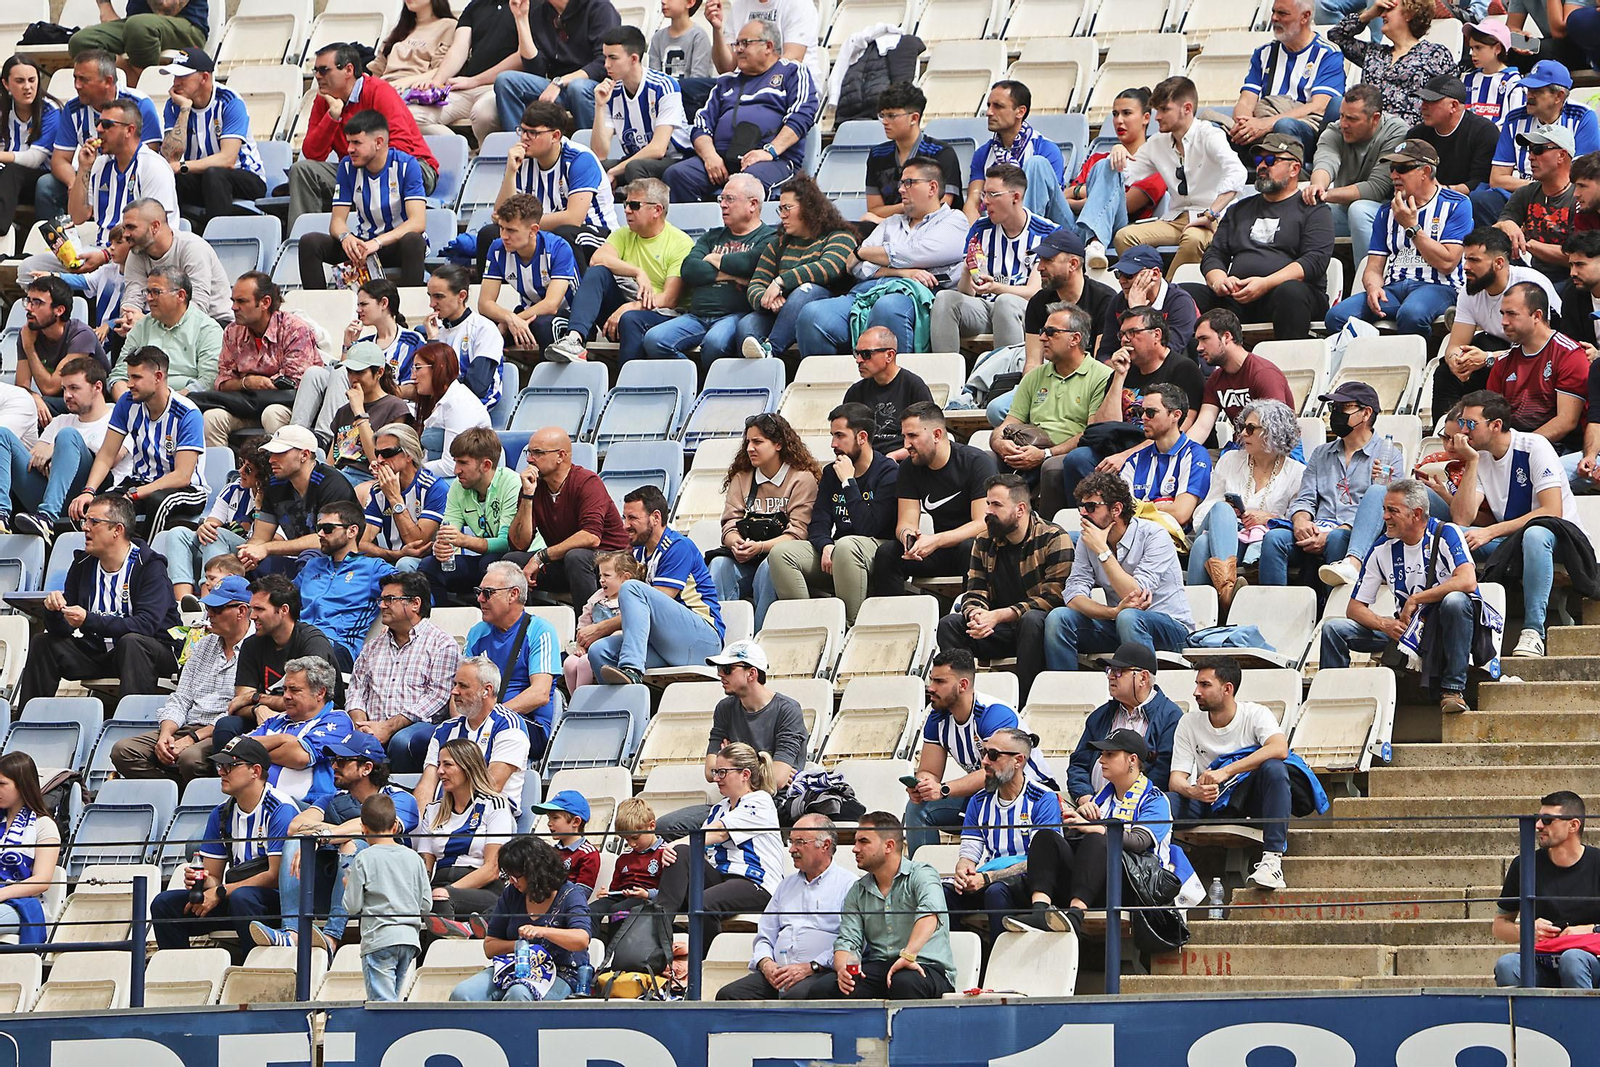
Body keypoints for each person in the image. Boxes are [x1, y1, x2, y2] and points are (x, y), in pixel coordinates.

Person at [1005, 728, 1198, 937]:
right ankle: (1040, 910)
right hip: (1094, 881)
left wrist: (1092, 827)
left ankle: (1075, 915)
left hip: (1135, 886)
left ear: (1132, 760)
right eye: (1101, 754)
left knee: (1099, 839)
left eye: (1110, 754)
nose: (1100, 760)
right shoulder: (1101, 798)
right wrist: (1075, 819)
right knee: (1046, 836)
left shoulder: (1155, 799)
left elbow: (1139, 841)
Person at [1448, 390, 1588, 658]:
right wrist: (1472, 460)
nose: (1463, 431)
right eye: (1462, 423)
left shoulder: (1534, 446)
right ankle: (1447, 625)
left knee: (1535, 535)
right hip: (1511, 541)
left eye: (1470, 424)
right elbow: (1462, 518)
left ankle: (1534, 631)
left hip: (1560, 539)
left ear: (1496, 425)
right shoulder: (1481, 455)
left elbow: (1551, 511)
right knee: (1453, 535)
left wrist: (1491, 531)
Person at [1321, 478, 1480, 714]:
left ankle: (1453, 690)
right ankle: (1334, 701)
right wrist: (1384, 624)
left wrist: (1417, 599)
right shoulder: (1381, 548)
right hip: (1406, 631)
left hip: (1446, 628)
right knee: (1333, 629)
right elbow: (1354, 608)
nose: (1384, 517)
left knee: (1455, 601)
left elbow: (1467, 581)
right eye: (1384, 509)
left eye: (1392, 511)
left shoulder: (1445, 533)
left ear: (1416, 514)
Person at [793, 156, 968, 358]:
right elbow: (856, 267)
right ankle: (829, 387)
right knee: (812, 315)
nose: (901, 189)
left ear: (932, 187)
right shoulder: (890, 223)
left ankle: (899, 387)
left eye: (909, 183)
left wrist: (862, 252)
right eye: (901, 183)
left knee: (887, 307)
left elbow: (918, 252)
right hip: (867, 292)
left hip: (914, 297)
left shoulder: (955, 221)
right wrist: (903, 272)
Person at [16, 492, 180, 707]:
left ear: (117, 530)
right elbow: (63, 630)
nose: (85, 527)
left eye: (94, 522)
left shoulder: (149, 566)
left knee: (132, 642)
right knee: (43, 643)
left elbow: (145, 625)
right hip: (100, 652)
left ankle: (130, 723)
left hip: (153, 654)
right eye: (85, 521)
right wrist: (54, 612)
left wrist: (88, 620)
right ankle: (29, 721)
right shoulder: (83, 564)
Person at [901, 648, 1057, 855]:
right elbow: (929, 770)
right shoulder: (937, 716)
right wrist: (923, 786)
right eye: (931, 680)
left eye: (940, 682)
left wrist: (943, 789)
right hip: (987, 793)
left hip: (1027, 791)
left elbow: (996, 769)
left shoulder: (993, 714)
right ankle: (924, 879)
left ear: (963, 685)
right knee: (919, 807)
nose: (931, 688)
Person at [150, 737, 296, 954]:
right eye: (220, 765)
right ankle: (180, 976)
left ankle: (253, 970)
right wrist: (200, 880)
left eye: (230, 765)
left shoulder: (280, 809)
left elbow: (275, 876)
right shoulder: (221, 813)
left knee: (243, 897)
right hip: (236, 896)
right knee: (164, 904)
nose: (221, 772)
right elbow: (214, 877)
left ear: (255, 771)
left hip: (277, 901)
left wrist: (219, 891)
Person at [934, 475, 1072, 702]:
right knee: (950, 624)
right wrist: (976, 614)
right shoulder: (984, 540)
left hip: (1036, 632)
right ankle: (965, 700)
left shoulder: (1053, 537)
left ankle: (1027, 702)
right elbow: (974, 590)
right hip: (995, 629)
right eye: (988, 503)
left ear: (1020, 509)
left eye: (996, 505)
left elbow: (1054, 598)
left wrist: (1000, 615)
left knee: (1032, 620)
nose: (988, 511)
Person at [1185, 132, 1334, 341]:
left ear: (1295, 169)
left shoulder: (1314, 210)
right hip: (1238, 297)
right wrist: (1220, 281)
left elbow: (1314, 262)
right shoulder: (1239, 209)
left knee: (1290, 292)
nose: (1262, 165)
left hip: (1289, 297)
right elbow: (1215, 253)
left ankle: (1289, 365)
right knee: (1184, 294)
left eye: (1272, 160)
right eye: (1259, 160)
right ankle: (1194, 369)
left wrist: (1265, 283)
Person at [14, 98, 176, 287]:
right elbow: (77, 216)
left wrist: (106, 255)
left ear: (129, 130)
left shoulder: (153, 166)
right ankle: (62, 313)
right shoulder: (100, 164)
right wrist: (83, 169)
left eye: (107, 125)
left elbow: (152, 233)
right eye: (98, 123)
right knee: (29, 270)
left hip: (138, 254)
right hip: (101, 250)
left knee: (116, 272)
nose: (99, 129)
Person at [651, 638, 805, 837]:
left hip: (773, 805)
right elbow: (710, 772)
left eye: (728, 669)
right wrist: (748, 768)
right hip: (732, 802)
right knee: (665, 827)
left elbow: (776, 780)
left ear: (752, 673)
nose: (720, 674)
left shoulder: (788, 710)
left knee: (716, 833)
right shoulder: (724, 708)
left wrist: (732, 760)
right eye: (720, 669)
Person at [1263, 382, 1410, 589]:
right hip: (1317, 527)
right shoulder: (1321, 453)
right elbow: (1305, 498)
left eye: (1344, 407)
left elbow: (1385, 510)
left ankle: (1332, 609)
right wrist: (1301, 522)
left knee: (1338, 538)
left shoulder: (1388, 456)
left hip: (1352, 535)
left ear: (1366, 413)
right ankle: (1274, 609)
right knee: (1274, 539)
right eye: (1333, 408)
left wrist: (1335, 531)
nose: (1335, 414)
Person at [109, 573, 252, 784]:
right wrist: (166, 734)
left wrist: (191, 739)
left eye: (217, 609)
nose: (209, 614)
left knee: (191, 759)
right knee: (123, 751)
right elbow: (181, 697)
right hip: (188, 726)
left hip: (222, 733)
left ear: (241, 611)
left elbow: (236, 712)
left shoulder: (255, 649)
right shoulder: (204, 644)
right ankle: (173, 794)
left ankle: (185, 798)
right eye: (208, 608)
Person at [1044, 471, 1194, 671]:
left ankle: (1142, 694)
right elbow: (1073, 595)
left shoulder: (1154, 535)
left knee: (1130, 617)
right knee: (1058, 618)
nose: (1083, 514)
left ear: (1116, 509)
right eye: (1081, 507)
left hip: (1171, 629)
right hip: (1121, 623)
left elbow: (1135, 595)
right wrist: (1112, 612)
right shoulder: (1087, 540)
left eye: (1091, 507)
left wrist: (1103, 551)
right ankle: (1068, 693)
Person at [766, 403, 898, 626]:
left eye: (839, 436)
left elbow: (870, 528)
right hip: (840, 549)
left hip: (876, 546)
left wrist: (849, 482)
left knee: (847, 546)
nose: (833, 444)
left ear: (862, 437)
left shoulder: (888, 472)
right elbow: (819, 521)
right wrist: (825, 544)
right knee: (781, 554)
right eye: (832, 436)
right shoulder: (831, 472)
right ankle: (806, 628)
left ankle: (848, 629)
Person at [1170, 660, 1296, 890]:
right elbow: (1176, 778)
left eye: (1205, 685)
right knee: (1164, 801)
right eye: (1197, 684)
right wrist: (1192, 791)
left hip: (1248, 801)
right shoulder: (1188, 722)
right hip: (1207, 800)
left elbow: (1280, 748)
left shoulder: (1255, 714)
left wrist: (1225, 772)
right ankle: (1156, 864)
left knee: (1275, 768)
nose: (1196, 692)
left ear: (1227, 688)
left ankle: (1272, 860)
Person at [1325, 138, 1471, 337]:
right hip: (1394, 288)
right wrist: (1373, 287)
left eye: (1402, 168)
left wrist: (1411, 227)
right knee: (1336, 316)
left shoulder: (1457, 204)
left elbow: (1447, 262)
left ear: (1426, 172)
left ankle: (1417, 362)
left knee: (1411, 314)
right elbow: (1374, 267)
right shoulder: (1386, 212)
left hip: (1439, 286)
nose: (1394, 175)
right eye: (1392, 168)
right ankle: (1375, 360)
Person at [1051, 306, 1206, 492]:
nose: (1125, 340)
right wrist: (1119, 376)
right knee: (1078, 458)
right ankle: (1090, 517)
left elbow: (1178, 429)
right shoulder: (1122, 370)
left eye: (1132, 332)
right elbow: (1103, 427)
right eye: (1122, 334)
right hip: (1118, 446)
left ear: (1156, 335)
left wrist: (1127, 456)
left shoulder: (1183, 370)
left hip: (1158, 450)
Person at [663, 20, 818, 203]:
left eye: (745, 43)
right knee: (676, 175)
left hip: (772, 161)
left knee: (745, 185)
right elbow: (701, 126)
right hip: (721, 160)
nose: (738, 49)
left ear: (768, 46)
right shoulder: (726, 81)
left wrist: (770, 151)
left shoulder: (792, 72)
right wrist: (710, 156)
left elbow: (801, 116)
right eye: (737, 44)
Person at [807, 810, 956, 1000]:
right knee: (826, 988)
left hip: (926, 966)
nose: (855, 848)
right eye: (855, 842)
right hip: (881, 967)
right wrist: (843, 969)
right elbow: (847, 940)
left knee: (904, 983)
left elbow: (929, 916)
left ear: (889, 846)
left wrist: (908, 955)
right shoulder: (857, 890)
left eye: (864, 841)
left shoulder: (922, 874)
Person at [543, 178, 694, 364]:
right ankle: (574, 339)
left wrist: (629, 307)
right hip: (624, 312)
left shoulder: (680, 243)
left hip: (662, 316)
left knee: (630, 319)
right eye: (626, 203)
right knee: (597, 272)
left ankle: (627, 384)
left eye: (634, 205)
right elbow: (597, 259)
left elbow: (669, 299)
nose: (627, 210)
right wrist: (638, 272)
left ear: (657, 210)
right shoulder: (624, 234)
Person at [288, 44, 437, 231]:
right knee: (303, 170)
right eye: (315, 70)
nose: (317, 76)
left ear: (348, 69)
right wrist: (333, 116)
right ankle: (304, 243)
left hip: (412, 168)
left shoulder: (379, 91)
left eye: (324, 70)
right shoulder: (323, 100)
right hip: (358, 170)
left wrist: (366, 165)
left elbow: (400, 148)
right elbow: (312, 153)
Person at [586, 485, 725, 684]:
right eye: (625, 518)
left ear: (656, 517)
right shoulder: (640, 553)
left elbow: (653, 604)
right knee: (599, 652)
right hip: (666, 643)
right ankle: (629, 711)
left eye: (632, 518)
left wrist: (601, 627)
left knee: (630, 587)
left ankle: (632, 668)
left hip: (702, 641)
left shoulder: (678, 546)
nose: (625, 525)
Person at [989, 303, 1113, 519]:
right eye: (1041, 332)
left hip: (1064, 453)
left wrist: (1046, 454)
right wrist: (1000, 443)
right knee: (985, 459)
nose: (1042, 338)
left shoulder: (1101, 376)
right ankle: (987, 526)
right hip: (1029, 448)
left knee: (1052, 467)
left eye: (1050, 332)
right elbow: (1009, 422)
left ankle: (1047, 534)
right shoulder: (1035, 376)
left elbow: (1092, 432)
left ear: (1075, 339)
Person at [71, 346, 209, 540]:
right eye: (128, 377)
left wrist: (138, 493)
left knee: (159, 501)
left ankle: (147, 559)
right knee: (97, 508)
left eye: (136, 377)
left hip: (187, 490)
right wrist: (89, 491)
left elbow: (182, 476)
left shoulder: (187, 413)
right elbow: (107, 454)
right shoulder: (127, 403)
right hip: (140, 481)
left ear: (158, 377)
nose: (129, 384)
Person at [640, 173, 776, 367]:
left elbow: (750, 263)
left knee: (715, 343)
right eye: (721, 199)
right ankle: (693, 382)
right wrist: (732, 274)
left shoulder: (768, 238)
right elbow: (689, 270)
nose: (722, 204)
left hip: (734, 315)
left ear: (753, 204)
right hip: (696, 316)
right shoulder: (712, 236)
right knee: (654, 339)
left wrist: (714, 259)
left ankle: (710, 388)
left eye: (730, 199)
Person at [716, 814, 856, 1000]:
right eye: (791, 842)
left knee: (795, 997)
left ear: (825, 845)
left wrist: (812, 966)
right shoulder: (785, 886)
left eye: (799, 842)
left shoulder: (849, 885)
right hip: (778, 974)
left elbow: (852, 941)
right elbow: (765, 936)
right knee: (728, 996)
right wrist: (766, 965)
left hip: (819, 973)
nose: (791, 849)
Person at [986, 227, 1117, 425]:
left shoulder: (1105, 300)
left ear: (1073, 264)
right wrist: (1029, 397)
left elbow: (1099, 364)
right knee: (997, 409)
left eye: (1048, 260)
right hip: (1047, 379)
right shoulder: (1038, 302)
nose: (1039, 267)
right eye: (1040, 260)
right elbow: (1032, 363)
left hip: (1086, 383)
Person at [942, 727, 1061, 945]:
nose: (985, 761)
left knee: (996, 892)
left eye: (994, 755)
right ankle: (952, 967)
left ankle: (1001, 968)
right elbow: (969, 854)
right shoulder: (978, 801)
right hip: (987, 877)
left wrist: (988, 878)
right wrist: (963, 871)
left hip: (1029, 882)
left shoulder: (1043, 799)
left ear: (1018, 761)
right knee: (941, 893)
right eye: (984, 753)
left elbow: (1042, 862)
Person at [1114, 76, 1247, 271]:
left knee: (1193, 239)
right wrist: (1118, 150)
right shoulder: (1157, 142)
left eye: (1164, 109)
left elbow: (1237, 173)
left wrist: (1211, 213)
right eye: (1157, 109)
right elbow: (1128, 174)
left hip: (1214, 219)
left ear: (1187, 108)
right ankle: (1150, 285)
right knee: (1124, 237)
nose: (1157, 116)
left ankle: (1167, 292)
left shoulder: (1209, 135)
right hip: (1176, 218)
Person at [1185, 399, 1306, 611]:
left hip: (1256, 541)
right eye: (1242, 427)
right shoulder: (1230, 459)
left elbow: (1297, 520)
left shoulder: (1296, 473)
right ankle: (1227, 590)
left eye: (1250, 429)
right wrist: (1226, 514)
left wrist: (1269, 518)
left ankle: (1198, 614)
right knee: (1221, 510)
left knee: (1203, 544)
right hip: (1221, 530)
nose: (1242, 434)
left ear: (1272, 431)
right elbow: (1202, 512)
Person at [654, 742, 784, 933]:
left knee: (703, 902)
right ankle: (658, 934)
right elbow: (700, 848)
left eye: (722, 772)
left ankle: (699, 959)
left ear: (745, 775)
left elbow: (718, 833)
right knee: (682, 853)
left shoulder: (760, 800)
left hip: (755, 882)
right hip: (722, 878)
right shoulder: (719, 808)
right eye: (715, 772)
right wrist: (674, 851)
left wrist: (672, 845)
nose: (716, 778)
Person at [1435, 227, 1562, 421]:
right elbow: (1455, 345)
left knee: (1487, 351)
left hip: (1539, 361)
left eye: (1474, 260)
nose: (1465, 267)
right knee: (1446, 371)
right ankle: (1447, 433)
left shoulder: (1531, 285)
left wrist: (1488, 358)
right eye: (1465, 259)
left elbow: (1543, 348)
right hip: (1501, 354)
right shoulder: (1469, 291)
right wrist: (1457, 361)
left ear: (1499, 263)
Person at [447, 835, 592, 1001]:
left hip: (560, 972)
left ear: (535, 872)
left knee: (519, 993)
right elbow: (490, 946)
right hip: (514, 967)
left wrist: (542, 932)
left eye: (515, 876)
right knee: (463, 993)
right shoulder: (512, 893)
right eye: (507, 875)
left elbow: (581, 939)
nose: (511, 881)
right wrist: (521, 946)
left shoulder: (570, 894)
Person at [710, 412, 819, 629]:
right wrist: (736, 544)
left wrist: (760, 547)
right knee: (719, 564)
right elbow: (730, 523)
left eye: (758, 442)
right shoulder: (741, 478)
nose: (750, 448)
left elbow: (798, 532)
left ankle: (759, 641)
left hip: (782, 557)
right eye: (748, 442)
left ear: (778, 444)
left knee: (769, 567)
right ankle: (720, 635)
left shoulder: (801, 479)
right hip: (746, 556)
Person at [0, 356, 127, 542]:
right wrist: (55, 451)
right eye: (64, 389)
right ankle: (2, 515)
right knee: (2, 434)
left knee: (67, 436)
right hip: (47, 491)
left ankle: (47, 518)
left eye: (74, 388)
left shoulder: (118, 417)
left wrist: (58, 448)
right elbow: (36, 459)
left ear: (97, 387)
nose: (67, 395)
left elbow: (110, 457)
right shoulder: (60, 420)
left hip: (92, 497)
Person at [345, 569, 460, 772]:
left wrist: (388, 727)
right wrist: (361, 724)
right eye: (381, 599)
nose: (382, 605)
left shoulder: (442, 644)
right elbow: (356, 689)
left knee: (400, 741)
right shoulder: (372, 646)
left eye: (389, 599)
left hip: (415, 727)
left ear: (415, 604)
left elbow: (438, 698)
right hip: (370, 727)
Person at [299, 111, 429, 291]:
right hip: (364, 244)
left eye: (356, 143)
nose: (350, 149)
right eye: (349, 142)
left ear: (378, 142)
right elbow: (337, 222)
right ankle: (319, 308)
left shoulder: (407, 165)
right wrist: (346, 238)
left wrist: (377, 243)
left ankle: (407, 309)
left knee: (414, 241)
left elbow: (417, 222)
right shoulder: (347, 167)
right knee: (309, 242)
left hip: (395, 245)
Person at [931, 163, 1053, 355]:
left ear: (1016, 197)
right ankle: (947, 378)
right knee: (945, 298)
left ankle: (1007, 380)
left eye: (993, 194)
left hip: (1027, 311)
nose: (985, 202)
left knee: (1005, 303)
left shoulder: (1046, 232)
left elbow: (1034, 293)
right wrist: (967, 270)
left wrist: (996, 287)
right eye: (984, 194)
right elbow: (967, 292)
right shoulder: (980, 228)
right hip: (985, 307)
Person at [875, 403, 996, 595]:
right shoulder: (909, 467)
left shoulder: (976, 462)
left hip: (979, 551)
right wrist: (909, 539)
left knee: (969, 546)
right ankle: (895, 619)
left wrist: (937, 540)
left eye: (913, 436)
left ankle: (972, 614)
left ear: (937, 434)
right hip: (941, 551)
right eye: (904, 436)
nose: (906, 444)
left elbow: (983, 523)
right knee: (888, 553)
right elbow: (905, 521)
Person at [485, 99, 615, 272]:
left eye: (533, 133)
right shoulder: (522, 159)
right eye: (522, 130)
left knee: (564, 234)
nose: (524, 138)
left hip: (595, 234)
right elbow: (501, 213)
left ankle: (579, 295)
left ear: (555, 136)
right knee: (490, 234)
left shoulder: (580, 159)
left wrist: (522, 225)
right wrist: (510, 171)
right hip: (543, 230)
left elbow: (573, 219)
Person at [739, 174, 859, 359]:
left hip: (824, 310)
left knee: (805, 290)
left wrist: (780, 282)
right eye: (780, 209)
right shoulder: (778, 245)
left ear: (810, 208)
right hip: (779, 311)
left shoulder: (839, 236)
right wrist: (767, 299)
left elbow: (829, 267)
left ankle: (772, 348)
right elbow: (756, 283)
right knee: (747, 325)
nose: (783, 215)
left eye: (787, 208)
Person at [507, 427, 629, 605]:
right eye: (529, 452)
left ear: (560, 456)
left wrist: (541, 557)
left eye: (537, 453)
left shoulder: (587, 482)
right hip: (566, 561)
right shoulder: (534, 486)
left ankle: (586, 626)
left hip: (611, 562)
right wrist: (527, 496)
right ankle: (526, 627)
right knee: (512, 562)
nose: (529, 459)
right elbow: (519, 544)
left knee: (576, 556)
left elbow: (591, 537)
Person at [39, 50, 163, 224]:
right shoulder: (73, 108)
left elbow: (148, 157)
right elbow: (59, 160)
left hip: (127, 176)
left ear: (108, 81)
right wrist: (75, 183)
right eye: (75, 78)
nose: (77, 85)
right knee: (46, 185)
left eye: (84, 79)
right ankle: (60, 243)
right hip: (89, 172)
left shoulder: (139, 105)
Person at [1492, 790, 1600, 989]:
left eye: (1548, 820)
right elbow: (1499, 925)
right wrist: (1526, 930)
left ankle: (1585, 1019)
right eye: (1538, 819)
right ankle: (1525, 1020)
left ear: (1573, 825)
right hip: (1543, 960)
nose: (1538, 826)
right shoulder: (1524, 864)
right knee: (1507, 965)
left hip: (1591, 960)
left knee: (1573, 959)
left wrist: (1590, 930)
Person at [199, 273, 322, 447]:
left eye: (241, 301)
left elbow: (297, 383)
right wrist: (248, 382)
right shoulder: (232, 332)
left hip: (286, 406)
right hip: (245, 406)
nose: (233, 307)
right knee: (211, 418)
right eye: (233, 301)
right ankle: (223, 472)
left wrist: (254, 383)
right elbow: (222, 382)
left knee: (272, 414)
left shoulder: (295, 330)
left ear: (265, 302)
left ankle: (277, 472)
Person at [218, 575, 342, 747]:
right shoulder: (252, 644)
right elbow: (239, 703)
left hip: (314, 721)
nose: (252, 616)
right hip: (270, 717)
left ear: (283, 610)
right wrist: (257, 709)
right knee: (226, 726)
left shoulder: (312, 642)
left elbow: (307, 702)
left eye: (260, 609)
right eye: (251, 609)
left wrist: (255, 698)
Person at [1477, 61, 1600, 230]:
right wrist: (1536, 189)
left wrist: (1549, 188)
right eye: (1528, 90)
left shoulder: (1583, 117)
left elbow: (1582, 176)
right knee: (1480, 200)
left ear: (1559, 96)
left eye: (1537, 91)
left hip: (1564, 195)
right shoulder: (1514, 118)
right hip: (1519, 195)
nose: (1529, 96)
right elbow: (1497, 179)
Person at [1062, 643, 1182, 814]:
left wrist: (1120, 804)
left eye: (1119, 671)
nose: (1111, 676)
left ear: (1143, 678)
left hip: (1139, 810)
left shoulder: (1170, 716)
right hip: (1091, 805)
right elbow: (1078, 765)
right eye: (1109, 671)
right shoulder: (1100, 716)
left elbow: (1162, 773)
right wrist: (1085, 798)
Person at [155, 48, 266, 231]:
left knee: (214, 174)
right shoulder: (174, 105)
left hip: (245, 176)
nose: (176, 83)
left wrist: (183, 167)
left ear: (204, 78)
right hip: (203, 178)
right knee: (171, 179)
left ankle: (219, 239)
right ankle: (173, 238)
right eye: (174, 77)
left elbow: (227, 160)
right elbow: (170, 157)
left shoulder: (229, 101)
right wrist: (184, 110)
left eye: (182, 77)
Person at [1224, 0, 1344, 163]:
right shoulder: (1263, 53)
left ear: (1305, 17)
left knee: (1285, 126)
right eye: (1273, 12)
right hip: (1262, 123)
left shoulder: (1327, 53)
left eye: (1282, 13)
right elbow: (1246, 101)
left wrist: (1266, 124)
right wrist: (1244, 125)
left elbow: (1319, 106)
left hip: (1303, 128)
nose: (1274, 18)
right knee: (1214, 129)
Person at [415, 739, 518, 930]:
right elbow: (425, 868)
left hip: (483, 887)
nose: (439, 771)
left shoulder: (495, 804)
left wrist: (448, 891)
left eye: (447, 765)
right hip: (439, 883)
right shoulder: (433, 810)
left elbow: (492, 869)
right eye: (439, 765)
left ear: (467, 767)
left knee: (440, 898)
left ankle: (439, 958)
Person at [464, 561, 561, 758]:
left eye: (488, 592)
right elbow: (460, 687)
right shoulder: (477, 633)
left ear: (513, 594)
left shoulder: (540, 631)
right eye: (479, 591)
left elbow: (540, 693)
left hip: (527, 724)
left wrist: (490, 717)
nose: (480, 598)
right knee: (423, 740)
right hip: (479, 723)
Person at [342, 792, 432, 1001]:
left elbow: (352, 906)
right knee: (393, 1001)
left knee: (382, 1005)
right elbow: (426, 905)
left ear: (363, 828)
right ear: (394, 826)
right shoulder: (414, 858)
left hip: (379, 938)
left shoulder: (364, 858)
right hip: (409, 939)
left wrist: (349, 886)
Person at [237, 425, 360, 579]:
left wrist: (266, 548)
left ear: (304, 455)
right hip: (296, 558)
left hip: (338, 561)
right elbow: (260, 537)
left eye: (280, 453)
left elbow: (323, 538)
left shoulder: (332, 484)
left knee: (310, 559)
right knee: (239, 559)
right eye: (271, 454)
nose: (271, 460)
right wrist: (248, 554)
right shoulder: (274, 485)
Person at [1065, 88, 1167, 269]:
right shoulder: (1097, 158)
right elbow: (1065, 195)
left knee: (1108, 166)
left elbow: (1123, 205)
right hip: (1075, 227)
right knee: (1037, 165)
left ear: (1145, 118)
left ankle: (1095, 243)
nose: (1119, 120)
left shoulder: (1156, 165)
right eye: (1115, 114)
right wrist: (1087, 194)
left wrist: (1081, 198)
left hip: (1116, 231)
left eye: (1127, 113)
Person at [413, 657, 532, 811]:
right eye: (455, 684)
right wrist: (422, 827)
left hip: (488, 819)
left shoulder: (509, 726)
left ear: (486, 690)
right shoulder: (445, 730)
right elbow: (427, 786)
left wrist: (452, 820)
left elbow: (491, 786)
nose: (454, 691)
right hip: (442, 817)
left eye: (463, 686)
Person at [1305, 83, 1409, 258]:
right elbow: (1326, 161)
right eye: (1342, 115)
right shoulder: (1334, 130)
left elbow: (1377, 188)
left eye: (1352, 119)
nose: (1343, 124)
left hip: (1390, 211)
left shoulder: (1396, 131)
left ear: (1375, 118)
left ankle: (1370, 278)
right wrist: (1317, 187)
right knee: (1308, 211)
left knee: (1359, 210)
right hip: (1345, 208)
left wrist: (1326, 194)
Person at [419, 428, 520, 605]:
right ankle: (445, 622)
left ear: (486, 465)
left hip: (514, 562)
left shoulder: (511, 482)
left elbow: (507, 543)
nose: (456, 470)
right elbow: (448, 531)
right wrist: (441, 547)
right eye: (456, 462)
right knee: (429, 566)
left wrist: (464, 541)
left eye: (463, 463)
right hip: (483, 559)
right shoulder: (458, 487)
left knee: (490, 563)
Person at [1483, 282, 1587, 453]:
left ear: (1537, 316)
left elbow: (1566, 421)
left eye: (1512, 314)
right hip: (1513, 447)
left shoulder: (1569, 355)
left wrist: (1519, 448)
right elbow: (1492, 417)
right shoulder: (1503, 362)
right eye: (1502, 314)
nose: (1504, 322)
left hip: (1559, 449)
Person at [399, 0, 522, 143]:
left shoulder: (529, 5)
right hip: (466, 88)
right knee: (410, 115)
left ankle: (485, 158)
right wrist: (436, 81)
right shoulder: (475, 5)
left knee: (483, 114)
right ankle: (464, 153)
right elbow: (458, 49)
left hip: (500, 88)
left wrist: (475, 81)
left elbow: (522, 58)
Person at [244, 656, 356, 813]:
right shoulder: (276, 720)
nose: (286, 696)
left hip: (309, 808)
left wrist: (254, 752)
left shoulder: (338, 720)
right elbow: (235, 747)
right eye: (285, 689)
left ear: (320, 693)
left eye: (294, 690)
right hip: (258, 807)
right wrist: (284, 739)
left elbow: (299, 757)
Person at [493, 0, 619, 137]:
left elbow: (603, 63)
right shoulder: (540, 13)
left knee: (578, 87)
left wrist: (560, 81)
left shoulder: (599, 8)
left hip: (595, 87)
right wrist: (521, 18)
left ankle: (590, 152)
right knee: (506, 81)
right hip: (557, 88)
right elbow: (536, 69)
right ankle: (521, 149)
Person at [295, 501, 395, 671]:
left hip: (337, 646)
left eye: (327, 528)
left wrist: (393, 620)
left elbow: (416, 591)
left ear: (352, 531)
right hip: (299, 640)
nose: (320, 534)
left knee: (313, 650)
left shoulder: (373, 568)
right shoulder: (312, 566)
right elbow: (282, 598)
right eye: (318, 528)